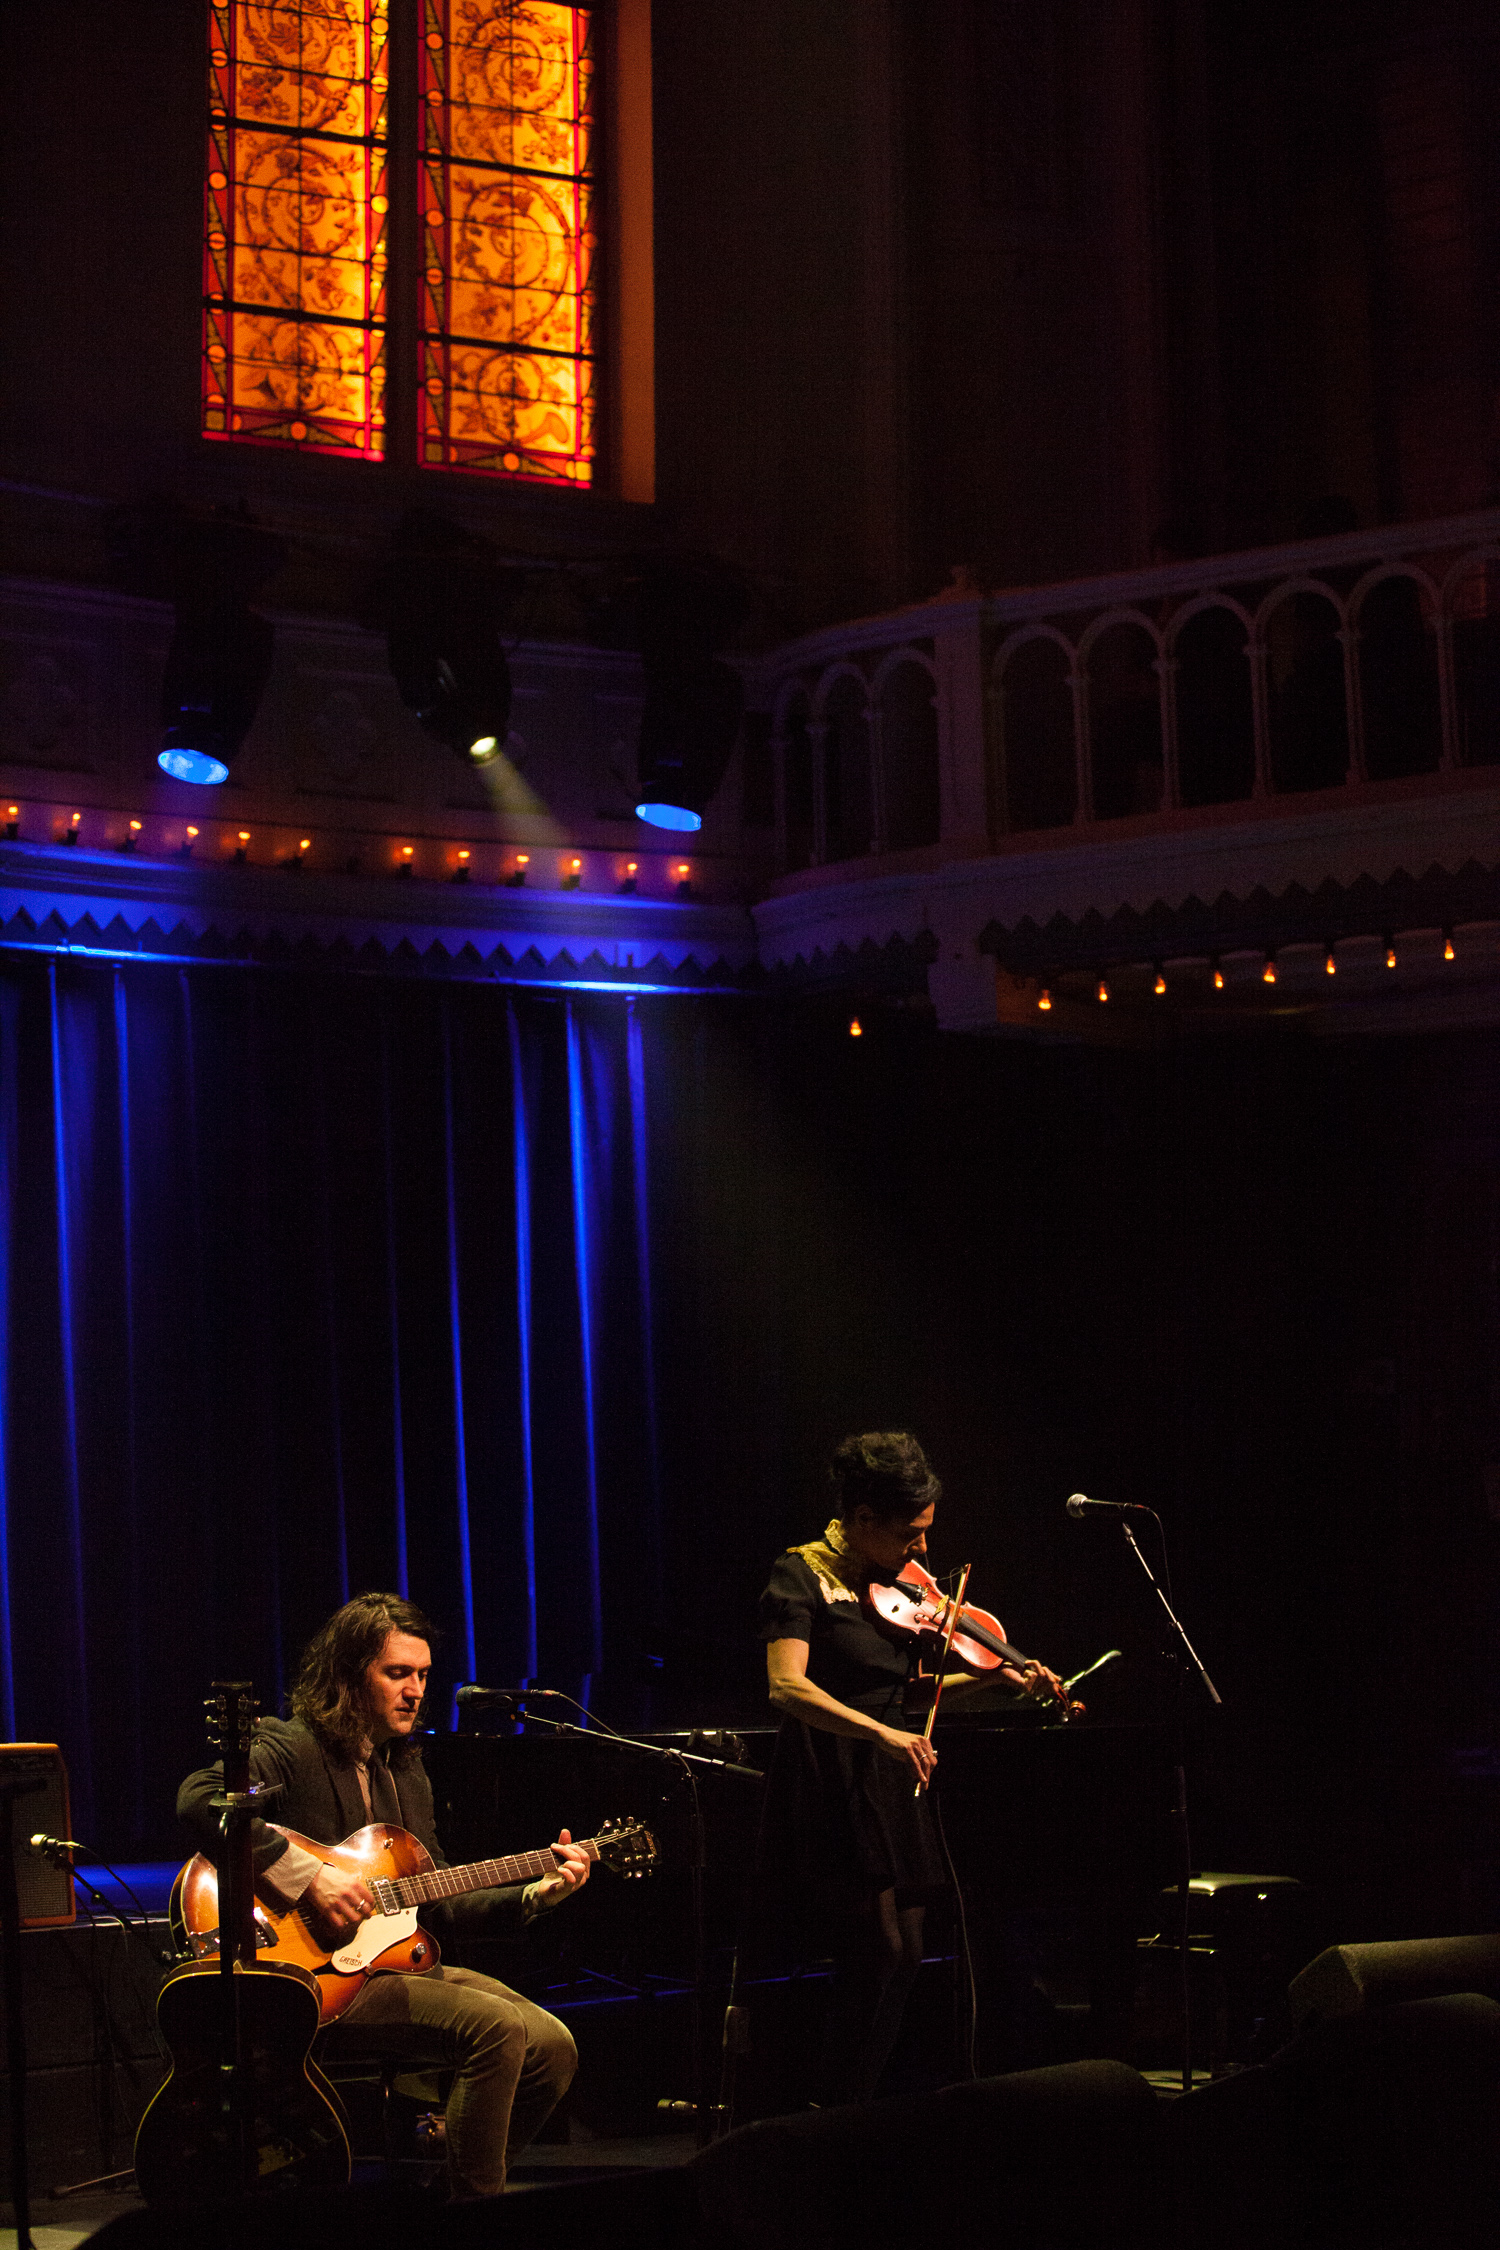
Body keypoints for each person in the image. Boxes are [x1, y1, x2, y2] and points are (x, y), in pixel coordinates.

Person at [178, 1592, 590, 2199]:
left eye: (423, 1675)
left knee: (554, 2047)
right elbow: (200, 1798)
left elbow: (441, 1898)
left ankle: (452, 2178)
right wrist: (307, 1875)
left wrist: (535, 1894)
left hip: (390, 1964)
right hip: (310, 1979)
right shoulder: (290, 1746)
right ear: (348, 1675)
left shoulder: (406, 1768)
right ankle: (479, 2209)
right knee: (498, 2028)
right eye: (398, 1673)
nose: (416, 1690)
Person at [758, 1431, 1062, 2104]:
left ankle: (857, 2104)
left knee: (910, 1952)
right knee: (878, 1952)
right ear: (863, 1520)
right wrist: (881, 1734)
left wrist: (997, 1680)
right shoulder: (800, 1574)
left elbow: (912, 1695)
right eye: (908, 1533)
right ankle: (832, 2110)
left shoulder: (886, 1585)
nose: (921, 1549)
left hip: (893, 1777)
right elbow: (786, 1686)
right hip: (834, 1774)